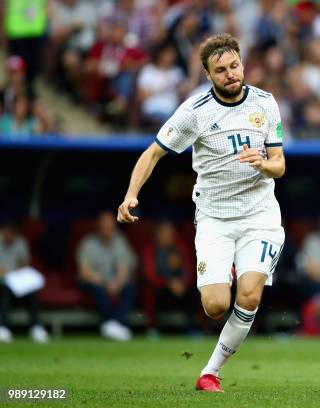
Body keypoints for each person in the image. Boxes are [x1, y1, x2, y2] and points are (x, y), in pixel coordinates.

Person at [117, 33, 285, 393]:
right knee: (215, 305)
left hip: (260, 215)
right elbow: (153, 153)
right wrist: (131, 194)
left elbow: (280, 165)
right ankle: (236, 268)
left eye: (234, 66)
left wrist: (264, 165)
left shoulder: (266, 103)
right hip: (215, 219)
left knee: (250, 296)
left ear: (243, 63)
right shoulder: (194, 112)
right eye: (220, 70)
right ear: (208, 75)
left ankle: (210, 372)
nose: (230, 74)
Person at [77, 211, 136, 341]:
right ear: (98, 227)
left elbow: (124, 269)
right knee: (98, 290)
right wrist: (105, 283)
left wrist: (116, 283)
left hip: (115, 282)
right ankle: (110, 323)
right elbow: (85, 272)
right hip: (95, 282)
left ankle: (114, 324)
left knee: (130, 287)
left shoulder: (120, 241)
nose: (107, 230)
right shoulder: (88, 243)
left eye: (109, 227)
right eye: (104, 226)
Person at [142, 221, 195, 335]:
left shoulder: (180, 247)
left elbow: (188, 268)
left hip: (180, 287)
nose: (166, 236)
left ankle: (192, 328)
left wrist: (183, 283)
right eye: (163, 232)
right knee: (151, 292)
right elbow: (149, 274)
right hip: (160, 287)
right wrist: (168, 283)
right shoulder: (150, 249)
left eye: (169, 233)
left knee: (195, 291)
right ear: (157, 234)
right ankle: (153, 329)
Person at [0, 222, 49, 343]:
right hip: (2, 282)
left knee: (31, 293)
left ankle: (36, 327)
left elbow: (24, 264)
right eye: (6, 233)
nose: (8, 236)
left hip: (17, 281)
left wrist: (17, 271)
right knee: (4, 293)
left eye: (11, 233)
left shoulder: (20, 242)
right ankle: (3, 327)